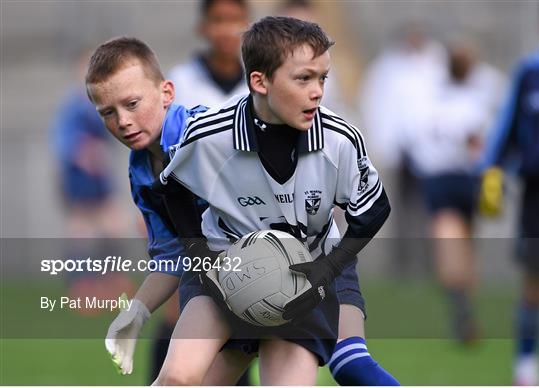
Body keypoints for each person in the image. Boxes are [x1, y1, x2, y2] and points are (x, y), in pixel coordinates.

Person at [154, 16, 398, 385]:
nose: (317, 91)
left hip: (305, 276)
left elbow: (374, 211)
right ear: (260, 81)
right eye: (303, 78)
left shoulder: (339, 139)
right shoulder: (210, 136)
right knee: (177, 379)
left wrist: (327, 270)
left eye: (322, 78)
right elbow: (172, 190)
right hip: (224, 271)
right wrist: (203, 257)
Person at [85, 37, 255, 383]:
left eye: (132, 104)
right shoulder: (141, 171)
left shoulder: (209, 135)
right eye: (108, 113)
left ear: (166, 93)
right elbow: (173, 257)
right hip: (221, 290)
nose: (123, 121)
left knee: (349, 366)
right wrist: (136, 312)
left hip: (278, 278)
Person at [153, 0, 250, 382]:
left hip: (250, 216)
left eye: (235, 20)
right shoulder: (184, 80)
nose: (227, 29)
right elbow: (164, 153)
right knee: (181, 308)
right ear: (204, 28)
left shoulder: (260, 79)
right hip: (191, 215)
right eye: (218, 21)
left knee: (248, 312)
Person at [401, 42, 494, 343]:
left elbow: (419, 141)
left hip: (441, 178)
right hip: (468, 178)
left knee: (447, 242)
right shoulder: (477, 99)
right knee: (464, 243)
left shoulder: (431, 100)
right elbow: (481, 146)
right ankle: (465, 304)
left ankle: (461, 305)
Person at [51, 47, 134, 314]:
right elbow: (62, 142)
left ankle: (109, 282)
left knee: (113, 226)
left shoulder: (100, 103)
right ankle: (81, 287)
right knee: (81, 232)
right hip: (79, 181)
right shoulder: (72, 106)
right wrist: (84, 152)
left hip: (101, 180)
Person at [479, 49, 539, 385]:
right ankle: (526, 366)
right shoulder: (530, 72)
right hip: (536, 196)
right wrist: (493, 168)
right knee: (534, 284)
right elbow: (508, 127)